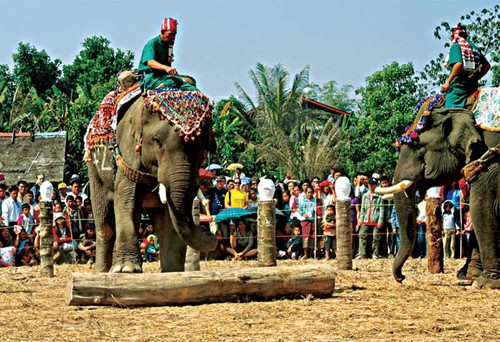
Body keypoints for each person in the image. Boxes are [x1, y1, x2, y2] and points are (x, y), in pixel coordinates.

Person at [138, 17, 196, 91]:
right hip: (151, 77)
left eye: (175, 35)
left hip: (164, 77)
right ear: (162, 32)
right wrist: (166, 68)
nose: (173, 37)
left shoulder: (169, 46)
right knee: (172, 82)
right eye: (170, 34)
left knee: (193, 89)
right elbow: (150, 62)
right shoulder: (152, 43)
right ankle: (157, 91)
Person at [441, 23, 490, 108]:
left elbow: (458, 64)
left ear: (454, 36)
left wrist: (447, 82)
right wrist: (476, 78)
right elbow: (487, 66)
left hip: (459, 88)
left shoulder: (456, 46)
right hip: (473, 86)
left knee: (449, 113)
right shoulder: (474, 47)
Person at [356, 177, 385, 259]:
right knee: (362, 236)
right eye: (370, 184)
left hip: (375, 219)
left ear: (376, 185)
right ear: (368, 185)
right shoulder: (365, 196)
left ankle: (374, 253)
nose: (371, 186)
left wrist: (380, 221)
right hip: (365, 219)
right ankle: (362, 254)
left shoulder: (379, 196)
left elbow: (382, 209)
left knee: (376, 237)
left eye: (373, 184)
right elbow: (363, 209)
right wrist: (360, 220)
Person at [298, 187, 317, 259]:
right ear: (306, 193)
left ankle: (311, 254)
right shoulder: (302, 201)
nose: (310, 194)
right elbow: (299, 210)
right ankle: (305, 254)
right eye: (308, 192)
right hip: (305, 220)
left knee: (312, 236)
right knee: (306, 237)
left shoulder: (315, 201)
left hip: (313, 220)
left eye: (311, 192)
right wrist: (303, 214)